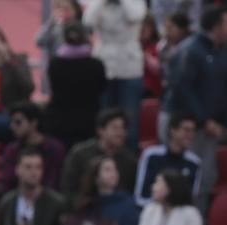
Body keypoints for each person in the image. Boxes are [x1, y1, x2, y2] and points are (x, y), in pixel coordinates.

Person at [163, 6, 227, 203]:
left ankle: (197, 222)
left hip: (210, 126)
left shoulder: (223, 51)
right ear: (216, 27)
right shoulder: (190, 50)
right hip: (187, 126)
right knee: (184, 177)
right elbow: (183, 89)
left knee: (206, 177)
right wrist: (203, 120)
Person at [84, 0, 146, 146]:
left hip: (129, 68)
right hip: (104, 66)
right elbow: (88, 19)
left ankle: (128, 160)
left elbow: (135, 15)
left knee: (130, 121)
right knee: (104, 118)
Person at [43, 21, 108, 146]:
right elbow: (101, 89)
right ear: (86, 38)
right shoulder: (96, 65)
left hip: (59, 123)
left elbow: (53, 88)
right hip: (89, 122)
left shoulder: (55, 64)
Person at [0, 146, 67, 225]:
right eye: (28, 167)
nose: (34, 172)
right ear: (18, 169)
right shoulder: (6, 203)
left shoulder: (56, 203)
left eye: (38, 167)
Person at [60, 107, 138, 199]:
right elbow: (68, 188)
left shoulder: (129, 160)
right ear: (100, 130)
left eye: (123, 128)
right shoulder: (79, 154)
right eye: (115, 128)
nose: (120, 133)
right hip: (83, 208)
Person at [0, 102, 67, 194]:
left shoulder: (55, 149)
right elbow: (6, 183)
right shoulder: (11, 150)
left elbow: (55, 182)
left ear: (34, 123)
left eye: (18, 122)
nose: (12, 127)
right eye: (11, 122)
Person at [134, 115, 201, 208]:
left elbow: (191, 200)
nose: (191, 135)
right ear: (173, 130)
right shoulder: (151, 155)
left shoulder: (194, 163)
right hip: (151, 210)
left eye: (193, 131)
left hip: (179, 215)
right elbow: (140, 197)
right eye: (186, 130)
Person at [35, 0, 84, 95]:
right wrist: (50, 24)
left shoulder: (82, 27)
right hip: (55, 75)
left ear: (75, 10)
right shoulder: (53, 27)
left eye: (67, 9)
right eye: (60, 8)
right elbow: (39, 41)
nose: (64, 12)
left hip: (78, 73)